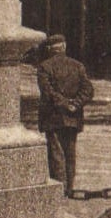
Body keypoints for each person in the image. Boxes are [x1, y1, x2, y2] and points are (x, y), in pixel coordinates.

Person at [37, 34, 94, 196]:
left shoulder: (44, 67)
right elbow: (88, 90)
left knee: (56, 153)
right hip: (73, 117)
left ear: (49, 49)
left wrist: (63, 104)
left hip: (53, 116)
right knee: (70, 152)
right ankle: (69, 188)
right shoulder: (77, 66)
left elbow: (48, 93)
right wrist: (75, 104)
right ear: (64, 47)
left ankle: (60, 189)